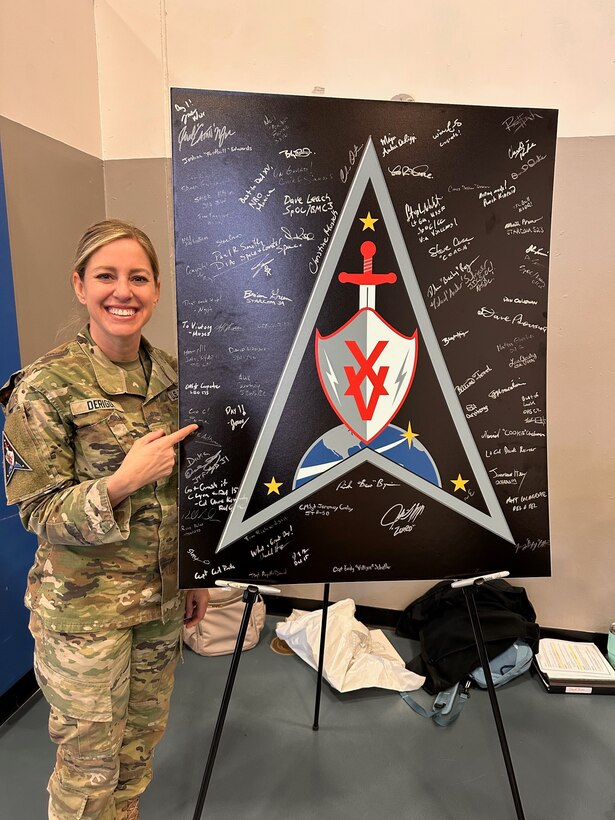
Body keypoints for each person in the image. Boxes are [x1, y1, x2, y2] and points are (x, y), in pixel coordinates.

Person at [1, 220, 210, 820]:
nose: (124, 291)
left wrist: (193, 575)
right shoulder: (44, 388)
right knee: (88, 769)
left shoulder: (176, 381)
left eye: (138, 277)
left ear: (157, 288)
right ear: (80, 286)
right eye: (106, 276)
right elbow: (36, 510)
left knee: (137, 753)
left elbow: (193, 494)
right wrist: (121, 482)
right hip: (82, 617)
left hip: (160, 605)